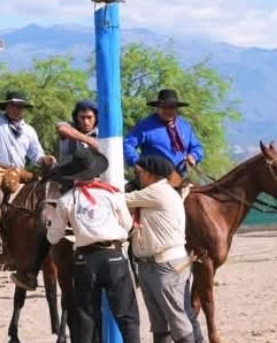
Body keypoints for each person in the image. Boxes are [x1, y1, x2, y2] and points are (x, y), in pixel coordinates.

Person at [46, 146, 140, 343]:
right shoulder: (113, 194)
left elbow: (53, 237)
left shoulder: (66, 200)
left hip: (84, 260)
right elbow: (127, 225)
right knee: (127, 316)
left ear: (74, 175)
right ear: (96, 171)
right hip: (113, 256)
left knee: (85, 317)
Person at [0, 52, 55, 255]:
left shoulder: (29, 131)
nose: (16, 109)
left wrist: (46, 159)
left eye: (20, 106)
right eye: (13, 105)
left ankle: (42, 234)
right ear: (6, 107)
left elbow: (36, 155)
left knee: (42, 192)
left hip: (19, 172)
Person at [11, 99, 100, 290]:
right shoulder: (69, 132)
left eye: (90, 118)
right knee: (45, 221)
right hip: (67, 184)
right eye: (82, 117)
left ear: (96, 119)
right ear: (76, 118)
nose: (86, 121)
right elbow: (61, 127)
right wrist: (88, 140)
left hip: (95, 185)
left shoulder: (104, 135)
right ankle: (32, 272)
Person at [127, 155, 194, 343]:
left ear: (150, 174)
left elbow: (120, 200)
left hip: (164, 265)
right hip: (153, 264)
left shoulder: (156, 192)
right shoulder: (160, 192)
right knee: (160, 322)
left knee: (176, 319)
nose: (137, 176)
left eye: (139, 172)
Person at [123, 89, 204, 180]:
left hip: (182, 176)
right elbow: (128, 144)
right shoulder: (145, 126)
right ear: (157, 108)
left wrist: (193, 155)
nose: (167, 110)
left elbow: (197, 147)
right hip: (154, 177)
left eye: (171, 107)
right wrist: (136, 162)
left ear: (177, 109)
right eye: (164, 107)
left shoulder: (184, 126)